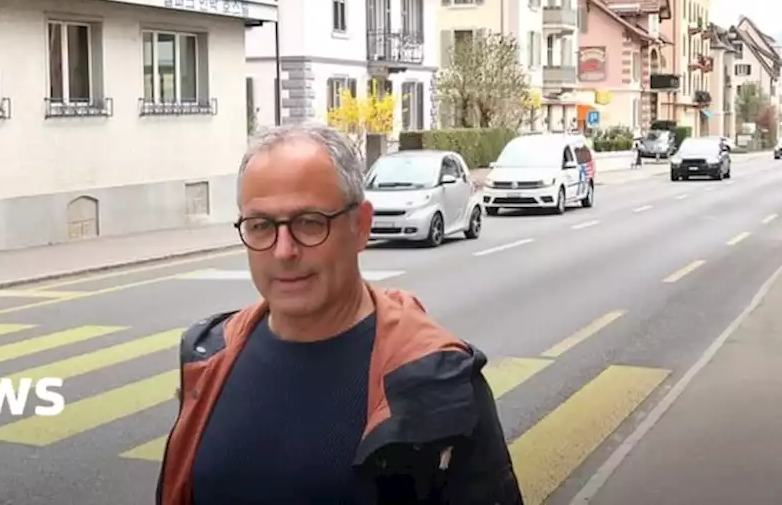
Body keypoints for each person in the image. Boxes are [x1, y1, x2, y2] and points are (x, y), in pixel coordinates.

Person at [155, 121, 522, 505]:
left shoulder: (441, 383)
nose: (283, 251)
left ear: (361, 226)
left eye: (310, 223)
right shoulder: (209, 357)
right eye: (261, 225)